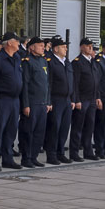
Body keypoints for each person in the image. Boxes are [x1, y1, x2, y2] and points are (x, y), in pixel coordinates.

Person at [0, 32, 23, 171]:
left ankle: (8, 159)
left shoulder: (17, 58)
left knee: (11, 131)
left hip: (15, 100)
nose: (19, 43)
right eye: (16, 41)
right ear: (9, 43)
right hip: (2, 99)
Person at [20, 37, 50, 168]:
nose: (43, 47)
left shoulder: (44, 61)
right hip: (32, 103)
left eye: (43, 45)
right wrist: (25, 104)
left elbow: (47, 84)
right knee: (29, 132)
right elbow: (25, 85)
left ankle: (34, 156)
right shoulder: (27, 62)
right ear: (31, 47)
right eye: (40, 45)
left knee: (39, 132)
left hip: (43, 103)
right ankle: (26, 158)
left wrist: (48, 101)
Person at [44, 37, 74, 165]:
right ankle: (51, 154)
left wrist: (72, 98)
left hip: (67, 99)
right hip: (56, 99)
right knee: (54, 128)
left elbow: (72, 81)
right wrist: (48, 101)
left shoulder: (66, 62)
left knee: (64, 128)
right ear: (56, 49)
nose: (66, 49)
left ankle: (60, 152)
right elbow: (48, 84)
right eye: (63, 47)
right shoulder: (50, 62)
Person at [70, 38, 100, 162]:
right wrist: (76, 100)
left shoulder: (92, 61)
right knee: (78, 127)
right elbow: (75, 83)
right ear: (81, 47)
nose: (90, 48)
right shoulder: (77, 62)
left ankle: (88, 151)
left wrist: (98, 97)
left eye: (91, 46)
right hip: (82, 99)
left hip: (92, 98)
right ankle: (74, 152)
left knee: (90, 126)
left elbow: (96, 81)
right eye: (87, 46)